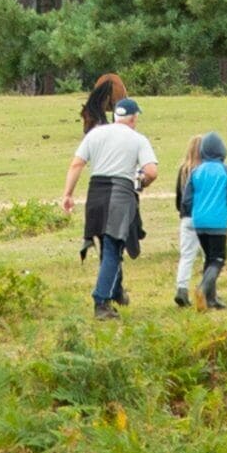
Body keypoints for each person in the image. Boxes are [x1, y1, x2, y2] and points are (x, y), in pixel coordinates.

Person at [59, 95, 157, 318]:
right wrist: (139, 183)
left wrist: (68, 194)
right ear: (134, 118)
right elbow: (151, 171)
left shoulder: (95, 134)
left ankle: (116, 292)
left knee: (108, 245)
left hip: (95, 195)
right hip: (119, 195)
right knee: (113, 248)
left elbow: (77, 164)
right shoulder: (137, 139)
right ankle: (101, 301)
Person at [173, 131, 227, 309]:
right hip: (208, 219)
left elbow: (181, 198)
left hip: (187, 218)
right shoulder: (215, 172)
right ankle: (207, 291)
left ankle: (182, 289)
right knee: (210, 257)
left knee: (186, 256)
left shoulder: (185, 170)